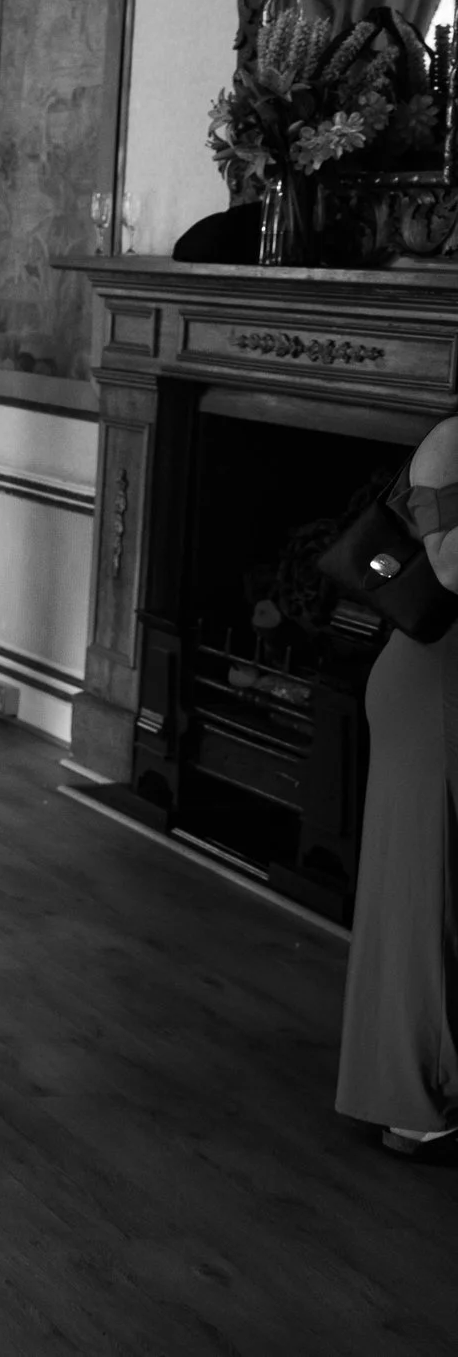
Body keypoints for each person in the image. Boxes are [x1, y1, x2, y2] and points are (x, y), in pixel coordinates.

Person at [336, 415, 458, 1162]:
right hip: (434, 694)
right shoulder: (452, 441)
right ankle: (418, 1108)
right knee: (425, 901)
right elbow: (449, 568)